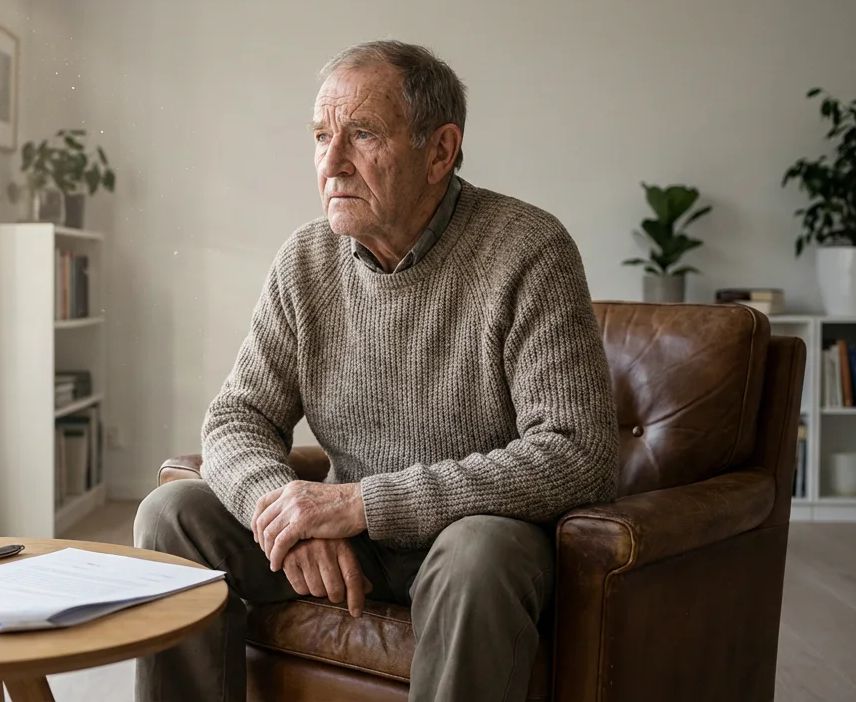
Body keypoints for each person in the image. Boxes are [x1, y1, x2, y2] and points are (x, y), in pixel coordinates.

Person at [134, 39, 619, 702]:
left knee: (477, 553)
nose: (331, 163)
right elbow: (237, 418)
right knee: (173, 512)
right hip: (348, 543)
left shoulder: (529, 250)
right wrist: (285, 515)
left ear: (440, 152)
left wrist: (363, 505)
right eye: (320, 136)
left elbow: (576, 453)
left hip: (473, 541)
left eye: (361, 134)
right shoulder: (305, 261)